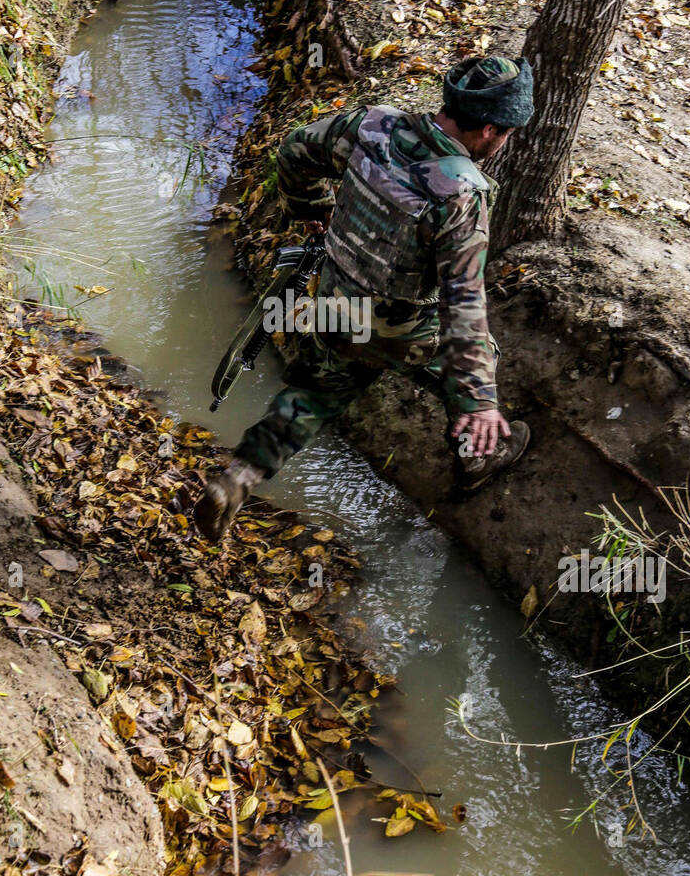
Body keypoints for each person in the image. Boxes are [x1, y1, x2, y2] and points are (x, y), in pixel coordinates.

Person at [194, 56, 535, 542]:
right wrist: (480, 402)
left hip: (336, 306)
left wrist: (310, 208)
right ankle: (477, 457)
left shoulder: (373, 126)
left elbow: (294, 150)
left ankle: (238, 478)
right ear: (487, 129)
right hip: (403, 330)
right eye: (506, 133)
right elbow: (464, 305)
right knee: (473, 363)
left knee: (311, 394)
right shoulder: (462, 194)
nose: (504, 143)